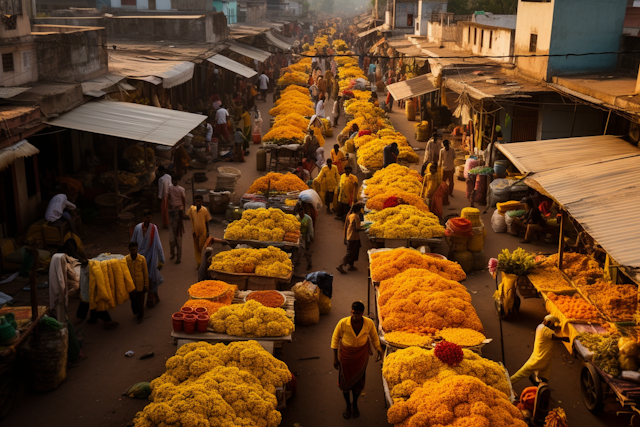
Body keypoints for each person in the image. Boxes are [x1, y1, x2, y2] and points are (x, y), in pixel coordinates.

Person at [331, 301, 383, 419]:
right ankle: (348, 405)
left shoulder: (369, 323)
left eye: (358, 314)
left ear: (362, 313)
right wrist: (335, 358)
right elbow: (335, 339)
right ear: (350, 312)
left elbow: (374, 337)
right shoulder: (343, 323)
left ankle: (355, 403)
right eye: (353, 313)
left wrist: (378, 350)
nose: (355, 316)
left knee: (359, 381)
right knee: (345, 382)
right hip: (346, 356)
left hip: (361, 356)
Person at [511, 315, 569, 385]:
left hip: (545, 358)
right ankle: (508, 383)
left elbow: (554, 330)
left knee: (544, 376)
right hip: (539, 359)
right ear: (549, 323)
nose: (553, 326)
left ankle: (540, 387)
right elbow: (554, 336)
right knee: (521, 373)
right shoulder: (545, 330)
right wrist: (565, 339)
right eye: (553, 324)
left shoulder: (540, 326)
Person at [131, 209, 165, 308]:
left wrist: (161, 260)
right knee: (139, 279)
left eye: (150, 217)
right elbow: (133, 241)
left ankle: (152, 296)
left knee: (150, 277)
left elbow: (158, 244)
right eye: (146, 217)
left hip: (151, 256)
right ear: (143, 217)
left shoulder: (154, 228)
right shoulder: (138, 228)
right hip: (139, 257)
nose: (148, 219)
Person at [337, 203, 364, 274]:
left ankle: (351, 266)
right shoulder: (356, 217)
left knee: (354, 252)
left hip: (350, 236)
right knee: (351, 253)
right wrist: (365, 228)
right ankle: (341, 265)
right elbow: (357, 228)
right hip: (354, 237)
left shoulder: (350, 215)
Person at [126, 241, 149, 324]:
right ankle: (136, 311)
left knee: (140, 301)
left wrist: (146, 285)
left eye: (134, 250)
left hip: (140, 285)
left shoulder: (142, 259)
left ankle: (140, 316)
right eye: (131, 250)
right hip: (131, 285)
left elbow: (145, 273)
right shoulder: (126, 260)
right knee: (133, 301)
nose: (133, 252)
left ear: (137, 249)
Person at [188, 194, 213, 268]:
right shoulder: (192, 210)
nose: (198, 203)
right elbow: (191, 220)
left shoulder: (204, 210)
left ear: (202, 201)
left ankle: (203, 263)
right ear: (194, 202)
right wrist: (192, 230)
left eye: (199, 201)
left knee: (202, 248)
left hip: (203, 232)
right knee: (196, 248)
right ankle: (199, 263)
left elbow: (207, 221)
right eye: (196, 201)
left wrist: (208, 232)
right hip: (195, 231)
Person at [167, 176, 186, 264]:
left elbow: (183, 199)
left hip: (178, 213)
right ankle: (172, 253)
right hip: (171, 212)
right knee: (171, 238)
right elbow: (168, 198)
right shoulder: (170, 188)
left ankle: (179, 257)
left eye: (176, 179)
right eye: (173, 180)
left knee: (178, 237)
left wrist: (183, 211)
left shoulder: (181, 189)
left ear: (178, 180)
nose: (174, 181)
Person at [296, 205, 314, 271]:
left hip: (307, 236)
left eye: (301, 213)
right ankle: (297, 263)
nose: (300, 215)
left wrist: (311, 238)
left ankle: (309, 264)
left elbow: (310, 228)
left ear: (303, 212)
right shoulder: (297, 218)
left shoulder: (308, 219)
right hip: (300, 236)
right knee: (299, 250)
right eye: (299, 213)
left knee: (308, 251)